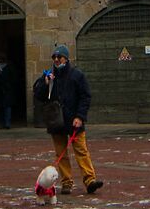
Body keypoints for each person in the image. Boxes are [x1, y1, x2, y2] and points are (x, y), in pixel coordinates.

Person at [32, 45, 101, 195]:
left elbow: (85, 97)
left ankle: (90, 180)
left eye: (60, 57)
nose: (56, 60)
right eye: (54, 57)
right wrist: (45, 83)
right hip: (56, 121)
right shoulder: (49, 75)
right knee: (61, 153)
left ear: (66, 58)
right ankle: (66, 182)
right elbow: (38, 95)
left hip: (73, 120)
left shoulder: (77, 75)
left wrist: (80, 116)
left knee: (81, 151)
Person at [0, 53, 17, 129]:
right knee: (0, 107)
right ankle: (2, 123)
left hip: (7, 89)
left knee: (7, 107)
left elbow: (13, 77)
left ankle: (7, 123)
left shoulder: (9, 66)